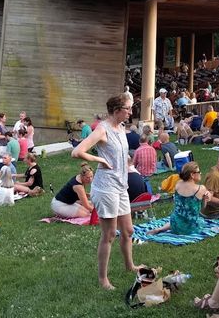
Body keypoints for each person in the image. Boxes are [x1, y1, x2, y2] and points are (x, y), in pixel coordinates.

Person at [71, 93, 141, 290]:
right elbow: (77, 152)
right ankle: (103, 279)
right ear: (117, 110)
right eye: (128, 108)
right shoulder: (103, 129)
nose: (130, 112)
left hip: (120, 185)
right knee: (109, 234)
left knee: (128, 230)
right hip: (106, 187)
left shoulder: (120, 128)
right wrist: (99, 160)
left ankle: (130, 265)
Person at [148, 162, 211, 236]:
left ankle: (160, 229)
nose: (200, 173)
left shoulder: (178, 184)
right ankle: (160, 229)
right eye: (198, 172)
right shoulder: (201, 188)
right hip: (190, 227)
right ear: (192, 175)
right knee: (200, 221)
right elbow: (202, 208)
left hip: (175, 224)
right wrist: (205, 199)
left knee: (180, 217)